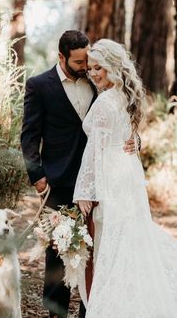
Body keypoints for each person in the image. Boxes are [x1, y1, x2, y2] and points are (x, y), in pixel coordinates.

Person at [21, 31, 136, 318]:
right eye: (79, 61)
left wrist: (136, 142)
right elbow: (29, 135)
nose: (87, 67)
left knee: (96, 253)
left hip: (102, 181)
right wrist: (37, 176)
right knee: (59, 256)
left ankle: (91, 311)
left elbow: (122, 122)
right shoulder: (39, 86)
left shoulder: (100, 80)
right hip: (59, 182)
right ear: (61, 57)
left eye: (89, 60)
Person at [73, 39, 177, 318]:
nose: (94, 74)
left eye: (99, 68)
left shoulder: (106, 101)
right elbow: (125, 135)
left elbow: (92, 150)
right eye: (91, 69)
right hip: (126, 172)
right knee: (124, 238)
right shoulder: (124, 96)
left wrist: (84, 190)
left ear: (113, 67)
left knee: (110, 240)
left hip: (111, 176)